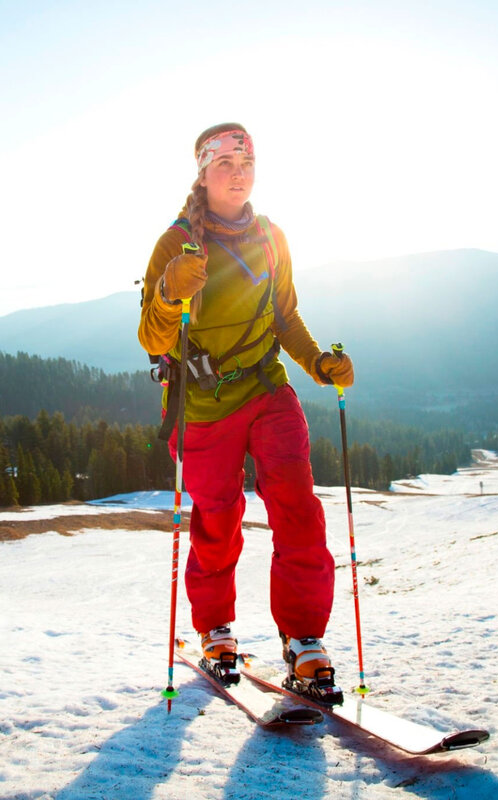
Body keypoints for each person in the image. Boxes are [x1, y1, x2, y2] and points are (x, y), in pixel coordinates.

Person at [138, 123, 354, 697]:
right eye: (225, 162)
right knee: (218, 521)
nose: (238, 172)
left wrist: (318, 364)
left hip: (266, 390)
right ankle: (216, 631)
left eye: (247, 161)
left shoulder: (272, 237)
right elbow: (152, 340)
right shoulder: (178, 244)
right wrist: (166, 292)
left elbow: (285, 318)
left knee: (299, 509)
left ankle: (304, 642)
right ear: (203, 174)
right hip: (203, 407)